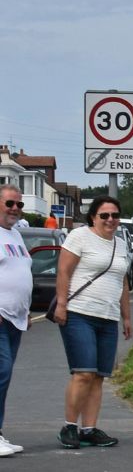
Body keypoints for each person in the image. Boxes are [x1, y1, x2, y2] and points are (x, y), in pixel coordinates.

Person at [53, 195, 133, 449]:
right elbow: (64, 270)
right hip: (79, 313)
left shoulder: (120, 245)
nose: (110, 220)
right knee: (83, 373)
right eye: (104, 215)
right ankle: (69, 426)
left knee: (98, 376)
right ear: (93, 217)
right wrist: (62, 305)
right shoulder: (79, 237)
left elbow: (123, 282)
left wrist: (126, 316)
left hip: (108, 317)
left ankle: (89, 428)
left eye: (115, 215)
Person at [0, 185, 31, 457]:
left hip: (15, 319)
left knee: (4, 377)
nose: (15, 209)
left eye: (19, 205)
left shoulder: (16, 235)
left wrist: (25, 311)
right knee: (1, 372)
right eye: (10, 203)